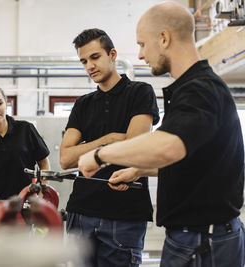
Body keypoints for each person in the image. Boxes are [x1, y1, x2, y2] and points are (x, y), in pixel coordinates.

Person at [78, 2, 245, 267]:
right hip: (197, 236)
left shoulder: (199, 89)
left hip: (202, 239)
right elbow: (196, 160)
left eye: (143, 44)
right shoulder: (194, 88)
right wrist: (139, 171)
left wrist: (99, 155)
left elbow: (169, 147)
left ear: (164, 38)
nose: (141, 55)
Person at [60, 28, 159, 267]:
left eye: (95, 57)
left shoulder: (140, 93)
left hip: (123, 215)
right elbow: (65, 158)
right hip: (80, 212)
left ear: (112, 54)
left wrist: (84, 148)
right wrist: (108, 140)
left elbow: (135, 149)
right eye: (84, 61)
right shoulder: (83, 104)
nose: (89, 66)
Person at [0, 84, 50, 202]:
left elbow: (44, 163)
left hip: (30, 202)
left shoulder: (26, 129)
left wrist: (42, 192)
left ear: (6, 103)